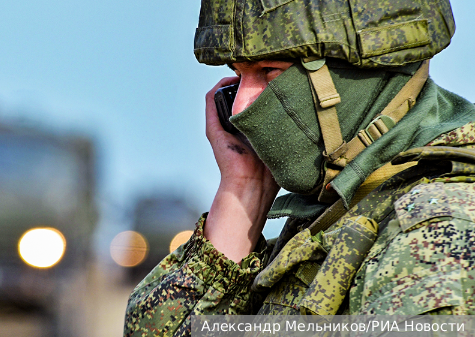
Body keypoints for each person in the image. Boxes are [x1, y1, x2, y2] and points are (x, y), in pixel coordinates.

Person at [125, 0, 475, 335]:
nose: (239, 108)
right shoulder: (329, 212)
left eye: (269, 71)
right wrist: (243, 190)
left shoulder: (433, 236)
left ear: (355, 76)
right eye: (238, 76)